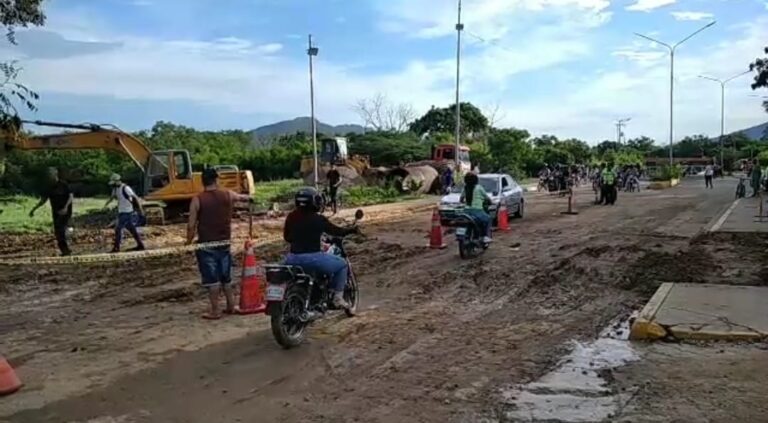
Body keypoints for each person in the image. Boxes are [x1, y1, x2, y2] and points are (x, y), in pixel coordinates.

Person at [186, 168, 253, 320]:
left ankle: (215, 311)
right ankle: (230, 306)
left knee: (212, 280)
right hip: (225, 243)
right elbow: (243, 198)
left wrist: (188, 241)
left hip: (206, 245)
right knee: (225, 277)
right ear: (216, 180)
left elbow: (191, 225)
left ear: (203, 181)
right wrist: (250, 198)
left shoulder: (197, 199)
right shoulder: (228, 195)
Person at [283, 187, 358, 309]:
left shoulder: (291, 217)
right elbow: (336, 231)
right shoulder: (318, 219)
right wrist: (351, 230)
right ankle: (337, 298)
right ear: (314, 202)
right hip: (313, 258)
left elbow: (287, 237)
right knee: (342, 265)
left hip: (291, 259)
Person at [29, 168, 73, 256]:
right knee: (58, 232)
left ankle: (66, 249)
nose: (49, 177)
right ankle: (64, 249)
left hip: (65, 211)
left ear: (55, 175)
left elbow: (70, 197)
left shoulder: (63, 185)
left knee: (61, 229)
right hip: (55, 211)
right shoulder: (49, 187)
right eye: (49, 175)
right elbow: (44, 200)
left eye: (51, 174)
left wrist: (65, 207)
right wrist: (34, 209)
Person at [104, 174, 145, 253]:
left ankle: (117, 247)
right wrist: (106, 204)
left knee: (118, 228)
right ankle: (140, 245)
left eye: (113, 183)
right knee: (132, 229)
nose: (112, 185)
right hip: (122, 211)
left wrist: (140, 209)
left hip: (128, 212)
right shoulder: (115, 189)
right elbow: (112, 197)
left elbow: (135, 197)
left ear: (117, 181)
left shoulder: (125, 188)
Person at [459, 172, 492, 243]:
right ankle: (485, 236)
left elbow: (461, 199)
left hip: (466, 211)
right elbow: (487, 198)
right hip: (477, 211)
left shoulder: (465, 188)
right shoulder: (479, 188)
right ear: (476, 180)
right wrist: (490, 202)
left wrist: (465, 202)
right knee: (488, 219)